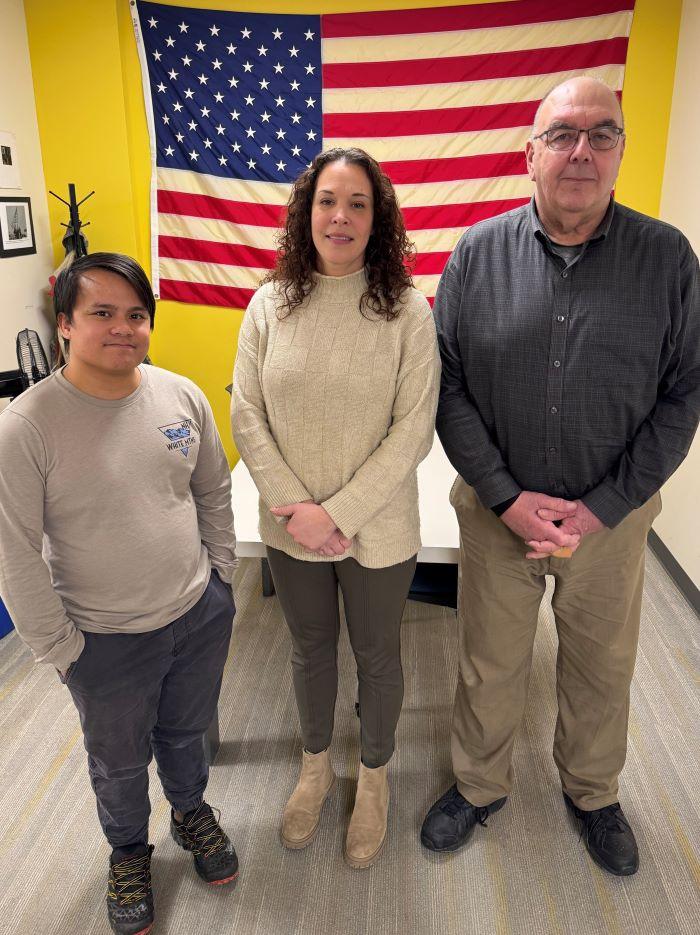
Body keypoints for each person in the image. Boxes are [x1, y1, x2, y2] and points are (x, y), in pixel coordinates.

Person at [420, 76, 699, 876]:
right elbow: (448, 381)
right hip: (495, 513)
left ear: (619, 151)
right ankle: (477, 785)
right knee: (490, 661)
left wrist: (607, 505)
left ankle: (593, 791)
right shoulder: (477, 252)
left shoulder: (669, 259)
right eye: (563, 134)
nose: (582, 150)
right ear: (531, 152)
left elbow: (686, 391)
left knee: (600, 663)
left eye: (601, 134)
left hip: (610, 523)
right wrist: (506, 498)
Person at [0, 253, 239, 934]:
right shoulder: (27, 426)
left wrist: (220, 578)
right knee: (120, 758)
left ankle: (191, 812)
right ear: (65, 325)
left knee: (186, 733)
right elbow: (13, 553)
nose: (123, 328)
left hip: (196, 615)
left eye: (136, 314)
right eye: (101, 313)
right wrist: (62, 649)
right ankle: (129, 849)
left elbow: (212, 488)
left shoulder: (180, 396)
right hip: (101, 641)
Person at [231, 147, 440, 869]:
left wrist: (338, 512)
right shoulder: (269, 303)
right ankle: (315, 766)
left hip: (377, 529)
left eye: (357, 203)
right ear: (306, 212)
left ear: (377, 218)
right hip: (291, 529)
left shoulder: (408, 311)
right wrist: (298, 507)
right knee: (309, 648)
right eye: (327, 201)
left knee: (378, 655)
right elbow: (245, 411)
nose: (341, 216)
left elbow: (413, 427)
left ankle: (374, 776)